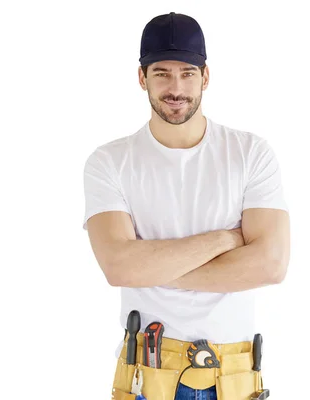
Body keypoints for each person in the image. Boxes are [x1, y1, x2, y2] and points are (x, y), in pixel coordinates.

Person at [82, 11, 290, 400]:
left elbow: (271, 264)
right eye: (161, 73)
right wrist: (227, 239)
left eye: (187, 73)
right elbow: (119, 267)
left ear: (205, 77)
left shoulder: (250, 154)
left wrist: (152, 269)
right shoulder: (110, 162)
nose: (175, 87)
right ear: (141, 77)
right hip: (148, 377)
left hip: (235, 380)